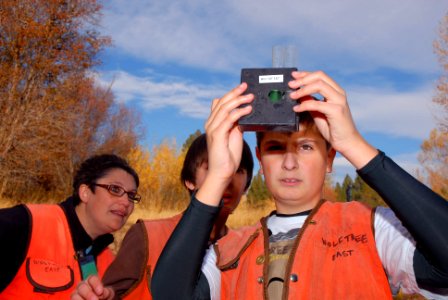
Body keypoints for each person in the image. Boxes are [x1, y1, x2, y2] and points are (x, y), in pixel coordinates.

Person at [151, 70, 448, 299]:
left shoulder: (373, 228)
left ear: (330, 158)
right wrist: (218, 175)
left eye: (306, 147)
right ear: (260, 161)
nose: (289, 163)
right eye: (276, 148)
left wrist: (354, 144)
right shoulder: (228, 250)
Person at [71, 133, 254, 299]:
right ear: (189, 181)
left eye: (238, 170)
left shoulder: (247, 249)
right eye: (213, 167)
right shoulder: (148, 235)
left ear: (246, 185)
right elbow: (112, 292)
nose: (227, 176)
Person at [0, 154, 140, 299]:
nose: (126, 202)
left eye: (131, 195)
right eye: (115, 189)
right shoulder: (23, 224)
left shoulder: (109, 264)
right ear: (85, 192)